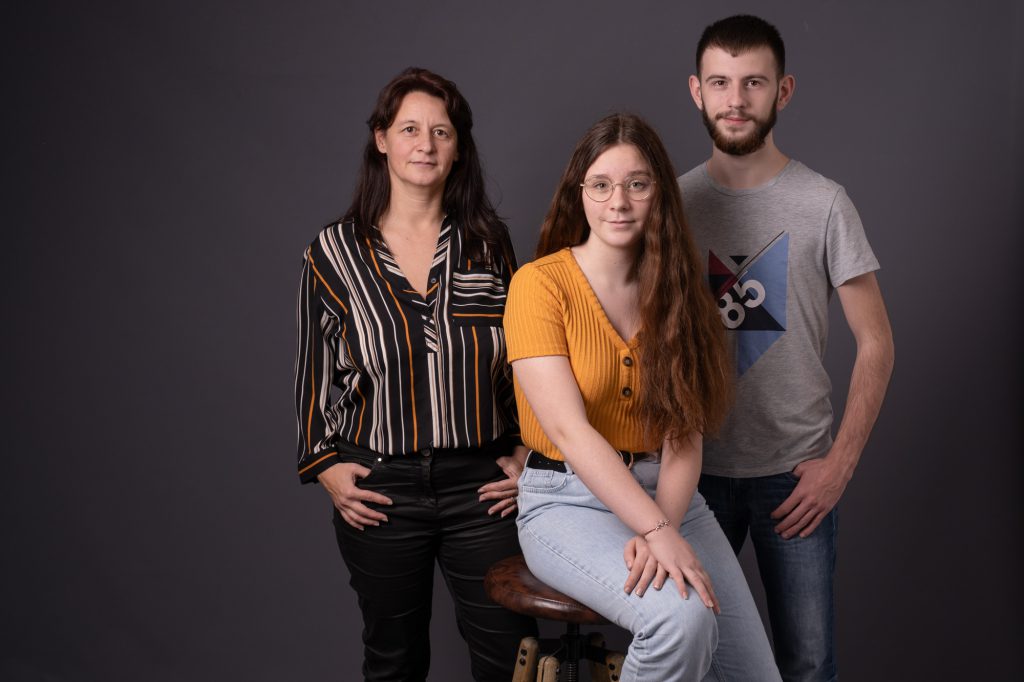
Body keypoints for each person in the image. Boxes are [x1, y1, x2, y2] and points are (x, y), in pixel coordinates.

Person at [504, 113, 781, 682]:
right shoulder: (539, 285)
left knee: (755, 675)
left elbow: (685, 435)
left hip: (671, 495)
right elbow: (568, 431)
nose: (619, 201)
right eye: (601, 184)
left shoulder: (682, 292)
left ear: (660, 193)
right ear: (579, 192)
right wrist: (655, 534)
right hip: (566, 499)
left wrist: (666, 528)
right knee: (681, 622)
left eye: (638, 183)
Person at [294, 67, 536, 682]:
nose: (425, 144)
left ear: (459, 147)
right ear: (381, 139)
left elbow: (528, 360)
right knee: (393, 660)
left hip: (481, 488)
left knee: (513, 659)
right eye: (409, 129)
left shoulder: (490, 243)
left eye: (441, 131)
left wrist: (532, 452)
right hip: (381, 491)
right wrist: (324, 467)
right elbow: (314, 372)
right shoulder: (334, 251)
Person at [679, 15, 896, 682]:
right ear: (697, 91)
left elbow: (878, 342)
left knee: (807, 664)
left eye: (753, 83)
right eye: (720, 82)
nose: (735, 99)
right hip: (692, 475)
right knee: (696, 660)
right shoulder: (671, 204)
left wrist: (841, 464)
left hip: (795, 479)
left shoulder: (825, 203)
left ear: (784, 90)